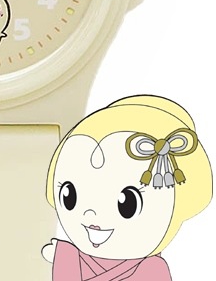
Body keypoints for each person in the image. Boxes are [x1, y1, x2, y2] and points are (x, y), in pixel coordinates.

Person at [42, 95, 212, 280]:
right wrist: (64, 255)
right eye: (70, 197)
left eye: (127, 205)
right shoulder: (69, 257)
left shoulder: (152, 272)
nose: (91, 214)